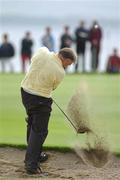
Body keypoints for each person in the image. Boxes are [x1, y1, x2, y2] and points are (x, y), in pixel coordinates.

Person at [20, 47, 76, 174]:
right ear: (65, 59)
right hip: (41, 100)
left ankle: (36, 155)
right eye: (70, 63)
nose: (69, 66)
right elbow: (54, 87)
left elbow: (33, 61)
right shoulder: (60, 71)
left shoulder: (42, 51)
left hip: (25, 93)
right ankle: (31, 165)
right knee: (40, 131)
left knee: (32, 123)